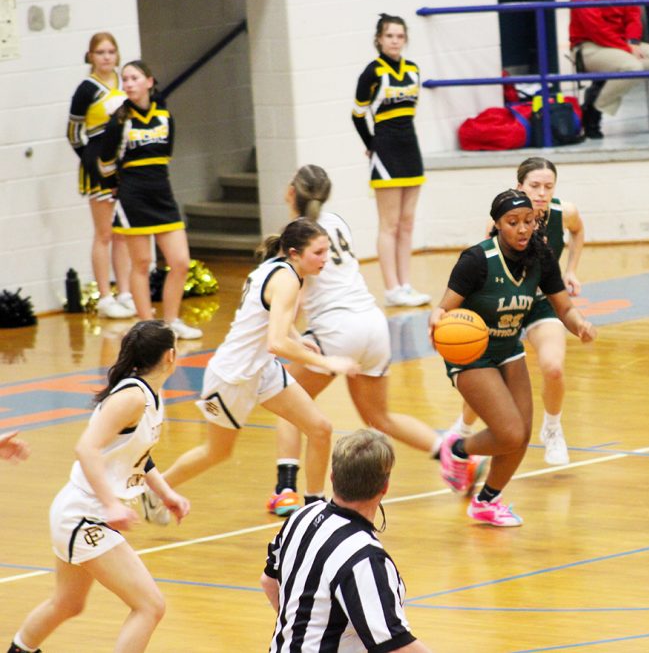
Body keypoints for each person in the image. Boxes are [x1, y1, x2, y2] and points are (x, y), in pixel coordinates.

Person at [143, 218, 358, 524]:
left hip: (262, 370)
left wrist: (299, 340)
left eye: (327, 251)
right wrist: (327, 363)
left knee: (320, 429)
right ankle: (156, 491)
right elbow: (276, 342)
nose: (325, 259)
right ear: (295, 253)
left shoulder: (279, 268)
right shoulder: (286, 280)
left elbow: (263, 318)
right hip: (233, 376)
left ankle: (314, 508)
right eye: (319, 252)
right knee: (216, 452)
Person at [265, 165, 452, 516]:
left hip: (336, 327)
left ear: (291, 192)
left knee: (287, 401)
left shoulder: (292, 237)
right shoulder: (337, 223)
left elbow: (292, 294)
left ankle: (286, 490)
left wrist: (293, 335)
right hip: (373, 323)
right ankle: (452, 456)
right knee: (379, 417)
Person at [7, 320, 189, 653]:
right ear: (171, 356)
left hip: (79, 513)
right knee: (150, 606)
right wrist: (111, 504)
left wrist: (167, 493)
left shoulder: (149, 394)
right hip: (84, 514)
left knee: (68, 603)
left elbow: (137, 456)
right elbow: (85, 448)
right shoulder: (132, 398)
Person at [429, 190, 596, 527]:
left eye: (528, 222)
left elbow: (562, 306)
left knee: (522, 434)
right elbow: (444, 307)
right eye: (513, 222)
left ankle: (487, 501)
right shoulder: (476, 259)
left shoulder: (542, 256)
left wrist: (580, 325)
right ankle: (457, 449)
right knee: (507, 432)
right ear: (497, 225)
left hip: (508, 349)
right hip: (471, 353)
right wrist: (436, 318)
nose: (522, 229)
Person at [450, 158, 586, 466]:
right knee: (488, 371)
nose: (541, 192)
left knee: (553, 367)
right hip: (503, 305)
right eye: (534, 186)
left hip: (539, 303)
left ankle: (552, 429)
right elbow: (483, 268)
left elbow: (578, 233)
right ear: (519, 186)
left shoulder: (564, 213)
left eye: (548, 186)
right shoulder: (501, 222)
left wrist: (571, 270)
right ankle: (463, 427)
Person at [262, 430, 431, 652]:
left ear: (332, 476)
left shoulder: (302, 517)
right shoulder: (365, 557)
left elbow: (269, 582)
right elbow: (396, 646)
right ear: (385, 487)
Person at [97, 60, 201, 340]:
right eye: (125, 79)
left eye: (134, 78)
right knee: (141, 263)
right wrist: (115, 188)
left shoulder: (164, 113)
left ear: (149, 82)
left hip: (162, 193)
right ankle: (148, 328)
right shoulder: (119, 119)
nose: (129, 84)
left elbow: (166, 152)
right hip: (133, 196)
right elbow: (105, 161)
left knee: (180, 261)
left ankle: (172, 321)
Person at [352, 13, 431, 308]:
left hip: (411, 148)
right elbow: (358, 114)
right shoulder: (371, 72)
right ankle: (391, 288)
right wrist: (371, 145)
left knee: (407, 223)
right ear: (379, 39)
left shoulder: (413, 69)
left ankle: (406, 284)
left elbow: (409, 112)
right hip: (385, 151)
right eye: (389, 36)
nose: (395, 41)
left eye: (400, 36)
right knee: (389, 224)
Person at [67, 32, 134, 320]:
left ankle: (126, 292)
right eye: (100, 52)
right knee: (104, 233)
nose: (106, 57)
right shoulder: (86, 89)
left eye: (110, 51)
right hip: (97, 165)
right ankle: (105, 296)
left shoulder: (127, 83)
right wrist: (90, 160)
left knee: (123, 233)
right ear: (90, 56)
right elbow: (73, 133)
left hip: (124, 163)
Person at [569, 0, 649, 139]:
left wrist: (633, 41)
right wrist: (626, 48)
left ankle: (594, 101)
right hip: (588, 46)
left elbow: (633, 15)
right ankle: (594, 114)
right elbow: (595, 29)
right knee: (633, 67)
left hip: (622, 44)